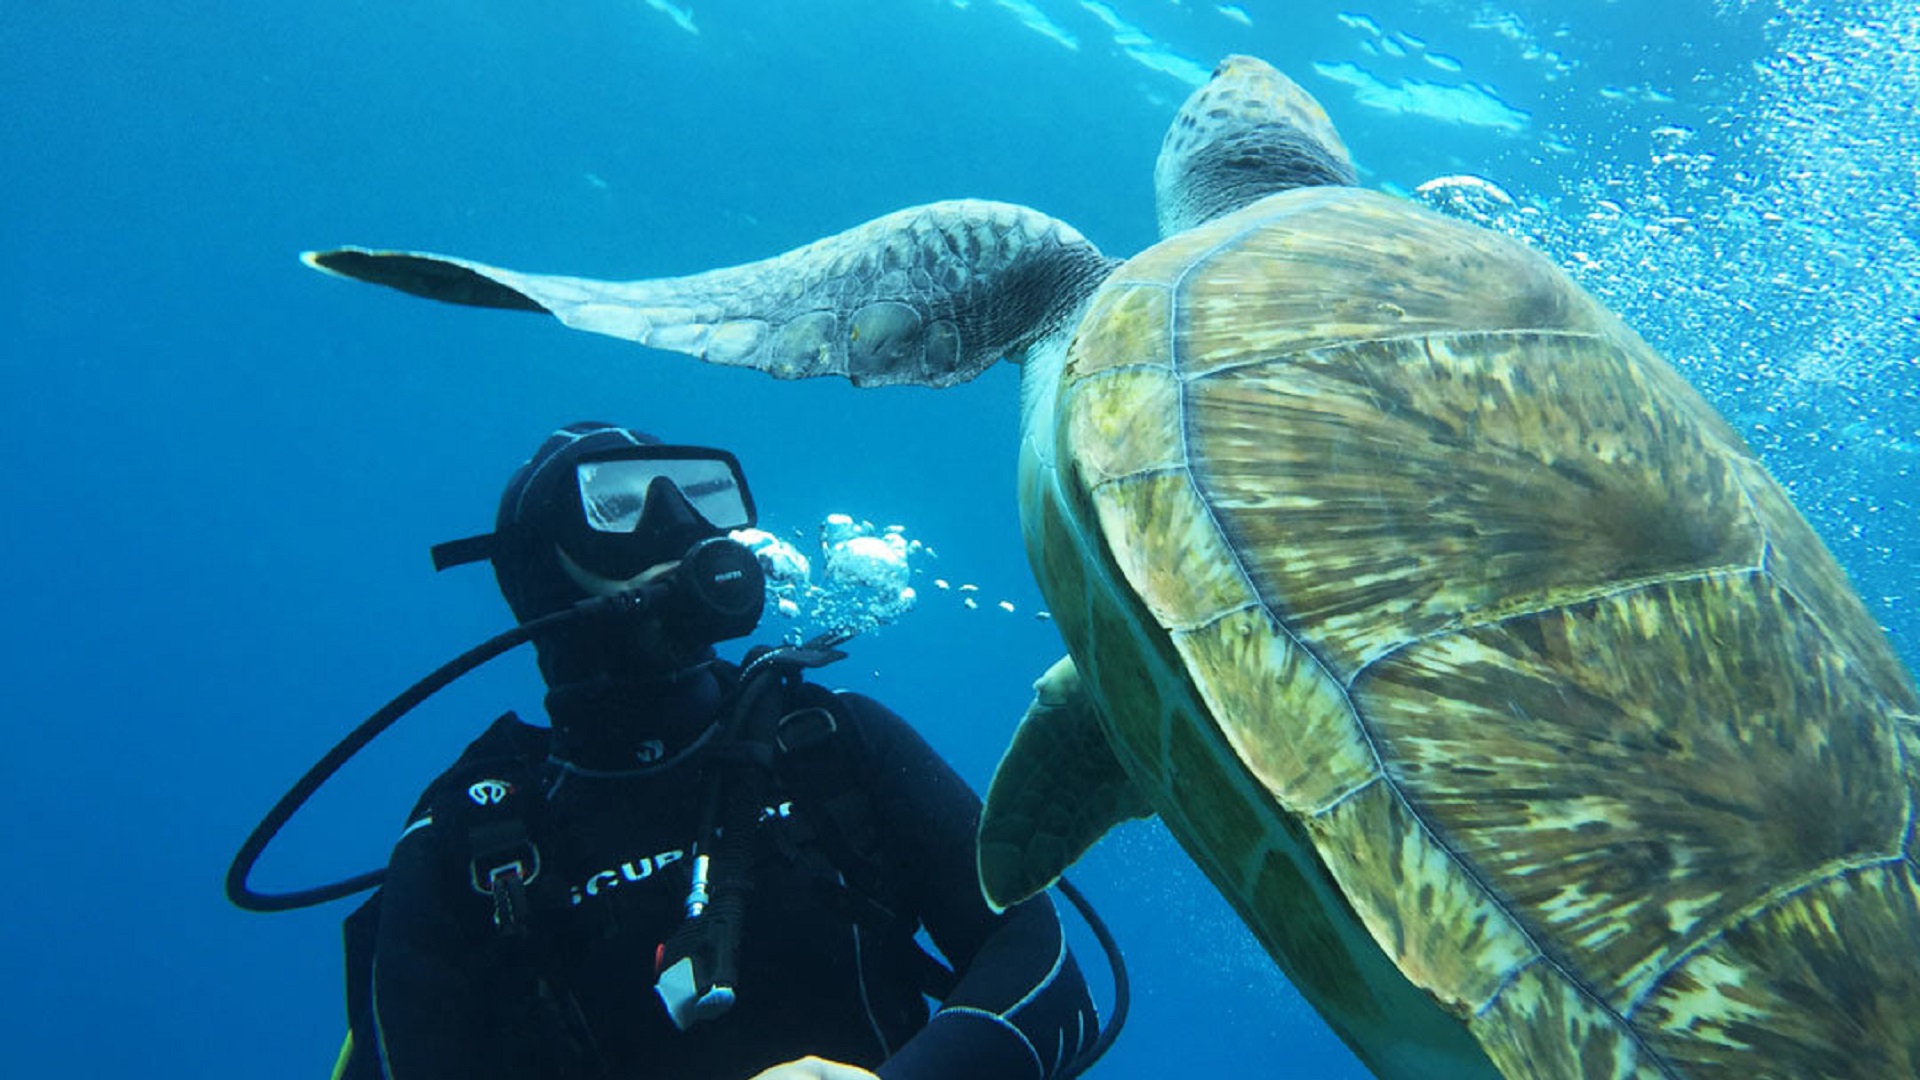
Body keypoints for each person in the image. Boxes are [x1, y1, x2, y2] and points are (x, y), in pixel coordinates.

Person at [336, 421, 1101, 1080]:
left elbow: (1045, 965)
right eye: (615, 506)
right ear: (539, 570)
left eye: (699, 494)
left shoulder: (830, 741)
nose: (678, 524)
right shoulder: (470, 845)